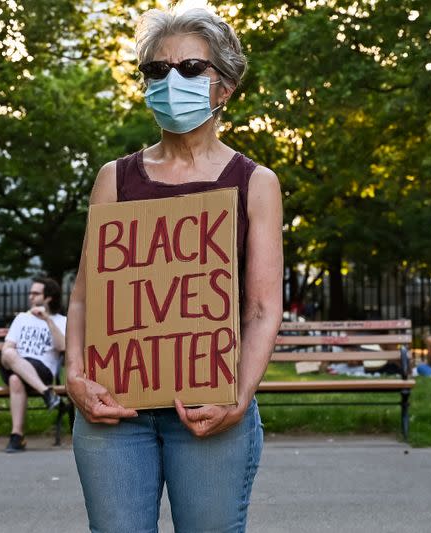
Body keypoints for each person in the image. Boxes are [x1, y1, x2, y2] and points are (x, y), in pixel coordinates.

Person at [65, 6, 283, 532]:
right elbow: (84, 297)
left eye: (189, 69)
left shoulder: (254, 183)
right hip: (115, 407)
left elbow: (260, 308)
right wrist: (75, 377)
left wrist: (239, 396)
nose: (171, 81)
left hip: (211, 405)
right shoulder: (113, 179)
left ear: (224, 86)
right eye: (157, 71)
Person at [0, 277, 65, 452]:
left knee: (15, 380)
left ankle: (17, 437)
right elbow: (7, 348)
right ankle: (46, 392)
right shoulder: (21, 318)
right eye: (30, 293)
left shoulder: (61, 321)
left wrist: (47, 320)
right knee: (8, 353)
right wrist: (13, 358)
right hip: (13, 362)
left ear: (49, 297)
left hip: (41, 369)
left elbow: (62, 347)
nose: (30, 297)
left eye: (35, 293)